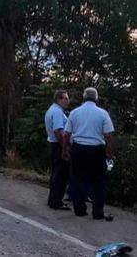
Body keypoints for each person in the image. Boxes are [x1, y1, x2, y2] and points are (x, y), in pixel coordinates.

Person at [64, 87, 115, 220]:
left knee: (78, 179)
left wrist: (66, 150)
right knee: (99, 182)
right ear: (96, 98)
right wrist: (109, 153)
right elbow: (108, 136)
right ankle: (98, 213)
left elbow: (67, 134)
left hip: (78, 149)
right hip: (97, 151)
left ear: (84, 97)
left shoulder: (75, 113)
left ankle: (79, 210)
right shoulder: (103, 113)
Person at [44, 90, 70, 210]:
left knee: (55, 174)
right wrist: (64, 147)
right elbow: (58, 131)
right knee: (61, 174)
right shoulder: (58, 112)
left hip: (53, 144)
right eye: (65, 98)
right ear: (59, 99)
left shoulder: (52, 110)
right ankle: (56, 201)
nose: (67, 101)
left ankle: (52, 199)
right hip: (58, 145)